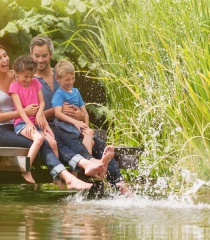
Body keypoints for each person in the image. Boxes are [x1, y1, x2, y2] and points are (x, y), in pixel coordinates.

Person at [0, 43, 104, 190]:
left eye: (5, 56)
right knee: (43, 142)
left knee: (53, 140)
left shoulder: (17, 75)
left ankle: (84, 164)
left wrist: (43, 116)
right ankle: (67, 177)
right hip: (3, 131)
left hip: (25, 124)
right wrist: (25, 112)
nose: (5, 60)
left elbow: (34, 97)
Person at [30, 36, 133, 196]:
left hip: (69, 124)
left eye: (44, 55)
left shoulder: (61, 74)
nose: (40, 60)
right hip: (48, 128)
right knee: (73, 143)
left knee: (97, 143)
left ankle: (121, 186)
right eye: (36, 56)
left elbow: (74, 102)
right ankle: (93, 165)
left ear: (50, 54)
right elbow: (31, 114)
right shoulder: (29, 81)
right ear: (31, 55)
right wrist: (56, 111)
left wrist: (79, 114)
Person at [9, 55, 57, 183]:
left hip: (36, 121)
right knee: (39, 138)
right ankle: (26, 169)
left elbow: (42, 102)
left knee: (53, 143)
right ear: (17, 73)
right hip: (22, 123)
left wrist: (39, 114)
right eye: (25, 76)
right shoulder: (14, 87)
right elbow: (19, 108)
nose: (29, 79)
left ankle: (56, 174)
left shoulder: (36, 82)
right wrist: (29, 124)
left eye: (31, 76)